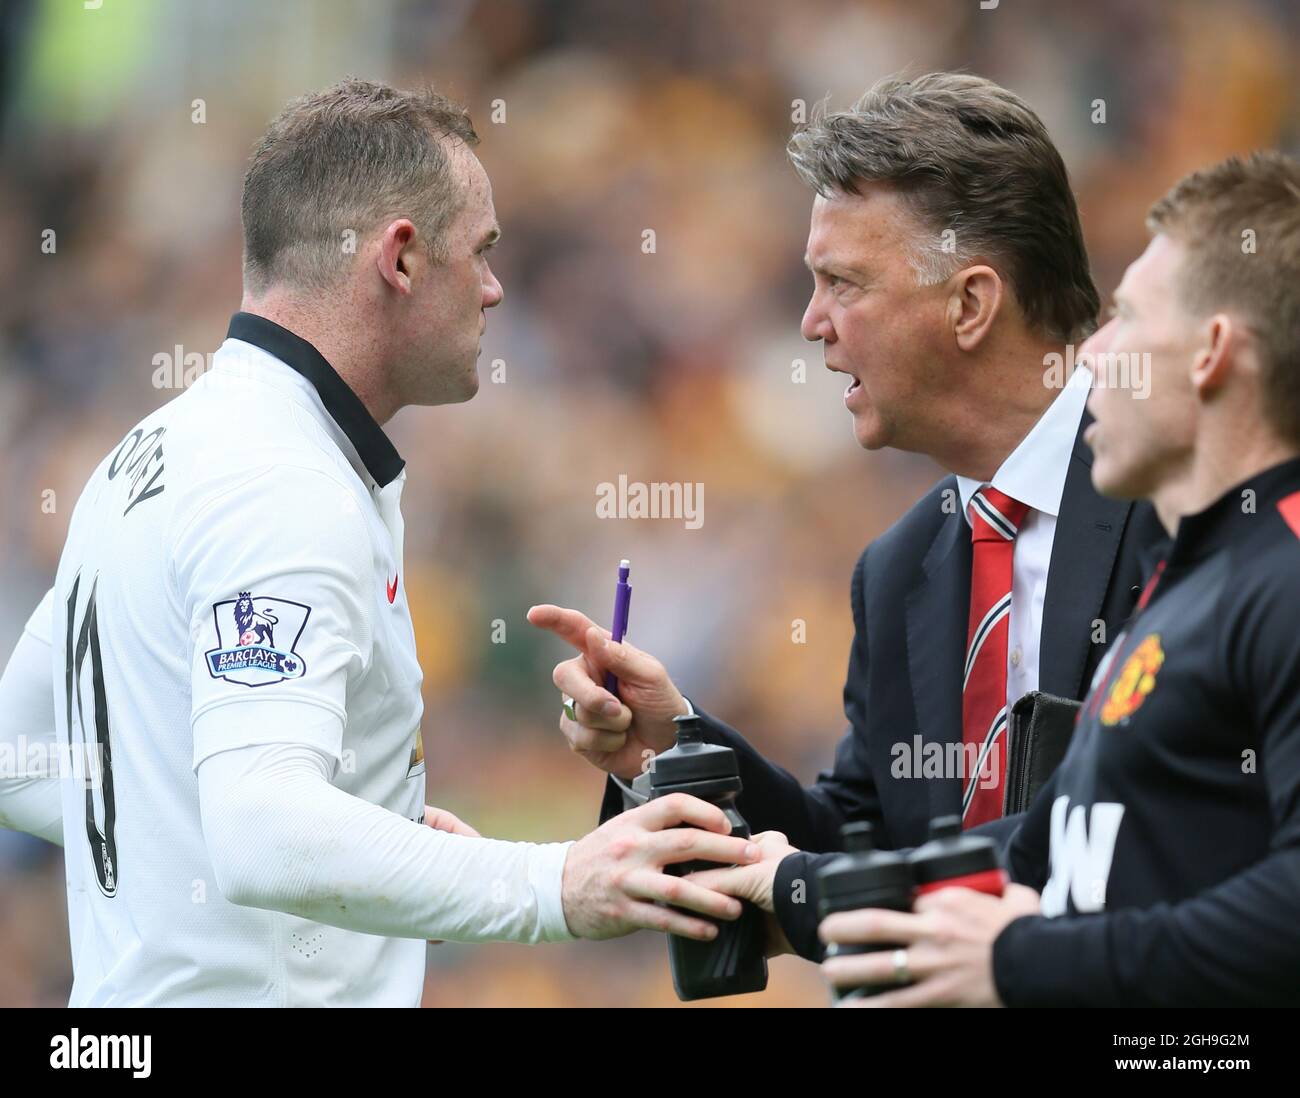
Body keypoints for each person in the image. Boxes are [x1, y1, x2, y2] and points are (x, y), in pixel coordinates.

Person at [0, 78, 758, 1007]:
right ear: (400, 259)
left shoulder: (148, 452)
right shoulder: (281, 480)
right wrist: (553, 883)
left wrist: (360, 849)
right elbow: (265, 833)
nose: (494, 287)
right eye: (480, 252)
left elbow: (20, 757)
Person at [529, 72, 1165, 960]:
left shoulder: (1180, 496)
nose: (809, 322)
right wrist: (676, 741)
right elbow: (861, 849)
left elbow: (1130, 842)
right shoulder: (905, 568)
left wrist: (797, 884)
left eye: (842, 283)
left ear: (971, 304)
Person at [819, 151, 1300, 1007]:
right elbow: (1038, 851)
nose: (1094, 353)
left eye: (1129, 316)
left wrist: (1022, 964)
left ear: (1213, 352)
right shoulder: (1187, 586)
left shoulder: (1267, 574)